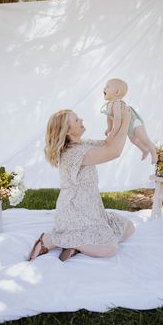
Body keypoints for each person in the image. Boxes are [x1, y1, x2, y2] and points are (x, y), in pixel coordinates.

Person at [27, 103, 136, 262]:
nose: (81, 120)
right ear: (68, 130)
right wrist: (127, 119)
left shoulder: (82, 143)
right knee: (110, 249)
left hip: (91, 209)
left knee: (128, 228)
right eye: (77, 120)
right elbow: (114, 152)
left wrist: (116, 116)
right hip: (75, 212)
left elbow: (109, 143)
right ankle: (51, 239)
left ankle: (75, 244)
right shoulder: (72, 154)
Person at [101, 78, 158, 164]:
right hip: (127, 126)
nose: (104, 88)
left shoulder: (117, 103)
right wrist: (109, 128)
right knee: (133, 140)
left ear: (117, 92)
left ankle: (154, 153)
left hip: (135, 123)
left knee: (144, 139)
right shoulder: (108, 105)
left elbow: (117, 118)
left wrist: (114, 131)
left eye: (107, 87)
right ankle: (144, 150)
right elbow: (109, 117)